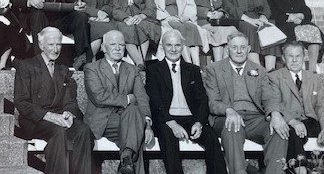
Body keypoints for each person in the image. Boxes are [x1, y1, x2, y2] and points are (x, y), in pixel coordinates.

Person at [204, 32, 289, 174]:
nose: (239, 51)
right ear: (227, 49)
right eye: (234, 47)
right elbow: (213, 101)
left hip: (255, 119)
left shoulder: (259, 70)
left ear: (249, 49)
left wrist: (275, 114)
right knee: (232, 126)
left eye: (242, 47)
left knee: (279, 130)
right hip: (227, 117)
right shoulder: (214, 69)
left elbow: (269, 96)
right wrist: (229, 111)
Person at [145, 30, 227, 174]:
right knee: (168, 138)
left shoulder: (193, 70)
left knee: (211, 138)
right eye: (169, 45)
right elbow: (154, 101)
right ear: (162, 47)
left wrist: (199, 123)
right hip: (166, 120)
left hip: (190, 119)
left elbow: (202, 100)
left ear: (183, 47)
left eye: (177, 45)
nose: (173, 49)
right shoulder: (153, 70)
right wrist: (172, 124)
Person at [14, 27, 93, 174]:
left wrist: (69, 113)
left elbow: (70, 100)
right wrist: (49, 116)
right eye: (51, 45)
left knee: (83, 131)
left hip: (58, 117)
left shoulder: (63, 70)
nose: (55, 49)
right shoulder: (26, 66)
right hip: (34, 120)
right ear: (41, 45)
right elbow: (21, 102)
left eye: (59, 45)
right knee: (58, 132)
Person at [84, 30, 153, 174]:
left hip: (127, 120)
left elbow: (141, 98)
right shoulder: (92, 68)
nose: (117, 48)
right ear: (103, 47)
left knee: (135, 119)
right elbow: (99, 97)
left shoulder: (132, 70)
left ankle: (126, 159)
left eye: (121, 44)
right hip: (102, 120)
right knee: (135, 130)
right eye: (113, 44)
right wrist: (128, 99)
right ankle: (127, 158)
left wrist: (147, 124)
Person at [269, 41, 324, 174]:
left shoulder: (313, 78)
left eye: (298, 56)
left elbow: (322, 105)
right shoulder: (274, 77)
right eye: (290, 56)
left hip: (311, 123)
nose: (295, 60)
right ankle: (300, 169)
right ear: (284, 58)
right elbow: (275, 104)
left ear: (304, 57)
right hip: (290, 124)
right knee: (292, 135)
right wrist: (294, 122)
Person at [265, 0, 324, 73]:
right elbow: (271, 11)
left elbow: (306, 10)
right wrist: (290, 18)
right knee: (290, 34)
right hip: (280, 23)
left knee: (314, 31)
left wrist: (300, 16)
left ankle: (312, 70)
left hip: (298, 22)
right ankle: (289, 68)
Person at [221, 0, 278, 71]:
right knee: (250, 28)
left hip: (259, 18)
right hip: (241, 19)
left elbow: (266, 6)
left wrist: (263, 17)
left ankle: (270, 71)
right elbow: (229, 7)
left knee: (270, 27)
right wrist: (248, 19)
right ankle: (258, 69)